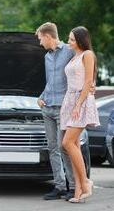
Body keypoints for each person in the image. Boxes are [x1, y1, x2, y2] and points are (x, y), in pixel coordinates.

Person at [36, 22, 76, 200]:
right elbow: (50, 82)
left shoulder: (69, 50)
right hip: (48, 107)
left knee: (64, 147)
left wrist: (90, 85)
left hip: (63, 108)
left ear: (47, 36)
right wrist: (41, 96)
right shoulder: (47, 57)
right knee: (53, 148)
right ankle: (59, 187)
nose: (39, 43)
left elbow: (86, 62)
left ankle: (74, 187)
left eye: (40, 39)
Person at [61, 26, 100, 203]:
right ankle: (78, 192)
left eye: (72, 39)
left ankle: (86, 182)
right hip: (70, 101)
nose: (69, 42)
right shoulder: (73, 56)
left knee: (67, 143)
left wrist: (78, 105)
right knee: (73, 145)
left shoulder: (87, 55)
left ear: (80, 40)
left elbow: (88, 82)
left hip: (81, 101)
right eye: (68, 39)